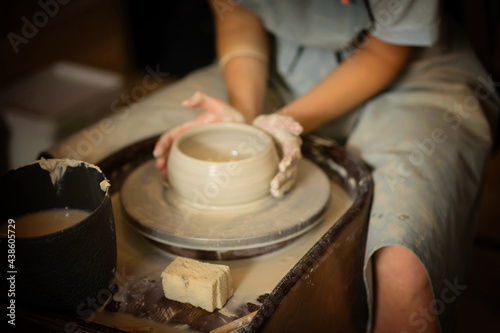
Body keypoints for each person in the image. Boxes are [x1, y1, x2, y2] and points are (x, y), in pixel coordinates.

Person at [153, 1, 499, 332]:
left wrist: (287, 122)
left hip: (413, 69)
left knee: (401, 262)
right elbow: (238, 16)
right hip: (275, 62)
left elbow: (384, 51)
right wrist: (243, 115)